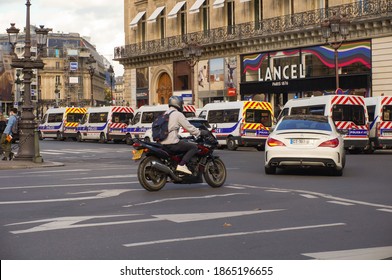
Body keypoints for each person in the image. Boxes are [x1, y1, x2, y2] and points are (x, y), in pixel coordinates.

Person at [160, 96, 208, 175]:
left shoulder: (165, 114)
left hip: (162, 143)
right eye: (181, 104)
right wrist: (199, 132)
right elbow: (189, 127)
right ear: (178, 104)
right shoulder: (178, 114)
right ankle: (182, 165)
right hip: (172, 143)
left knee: (182, 143)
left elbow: (168, 129)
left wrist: (178, 136)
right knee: (194, 147)